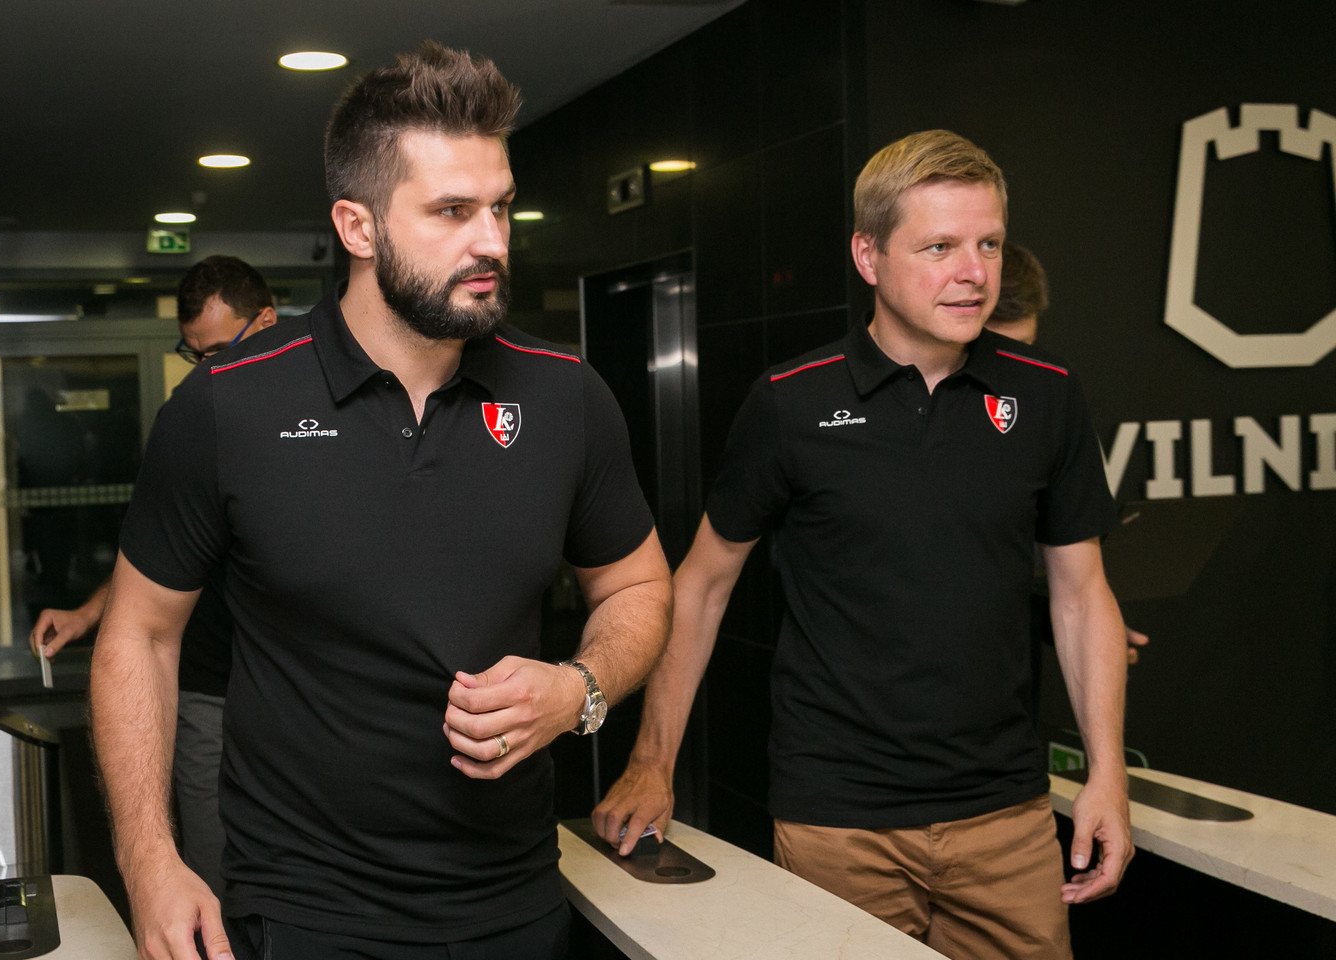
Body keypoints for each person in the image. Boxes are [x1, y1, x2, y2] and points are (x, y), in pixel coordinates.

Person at [89, 42, 671, 960]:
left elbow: (638, 584)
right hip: (305, 915)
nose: (493, 241)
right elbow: (139, 635)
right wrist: (150, 860)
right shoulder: (227, 406)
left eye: (500, 207)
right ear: (357, 228)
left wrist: (579, 690)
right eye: (452, 211)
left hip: (516, 906)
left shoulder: (567, 396)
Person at [594, 130, 1132, 959]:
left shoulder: (1048, 394)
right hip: (838, 821)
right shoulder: (790, 403)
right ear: (868, 256)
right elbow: (700, 586)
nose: (974, 271)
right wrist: (652, 762)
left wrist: (1108, 776)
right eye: (940, 247)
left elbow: (1082, 594)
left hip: (1008, 818)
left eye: (988, 244)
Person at [29, 255, 276, 903]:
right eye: (194, 354)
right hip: (207, 692)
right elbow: (160, 557)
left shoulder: (325, 419)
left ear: (267, 323)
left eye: (218, 351)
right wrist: (88, 614)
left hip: (296, 698)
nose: (206, 369)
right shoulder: (192, 419)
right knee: (212, 875)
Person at [986, 242, 1150, 664]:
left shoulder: (1050, 409)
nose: (1013, 367)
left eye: (1026, 347)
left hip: (1012, 682)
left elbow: (1066, 583)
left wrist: (1089, 631)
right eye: (998, 351)